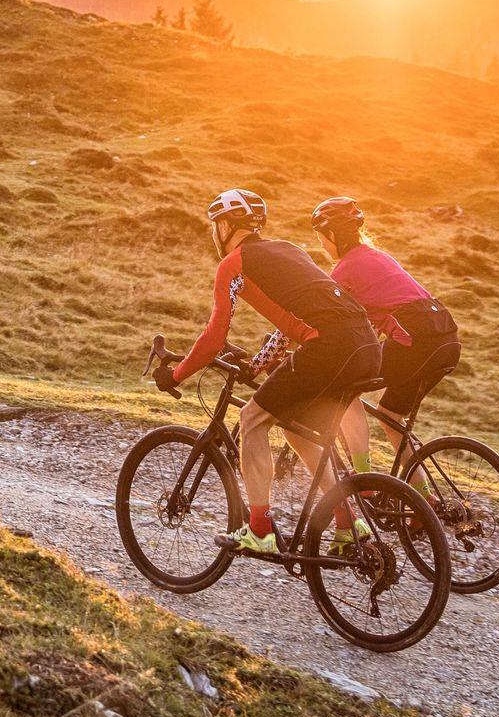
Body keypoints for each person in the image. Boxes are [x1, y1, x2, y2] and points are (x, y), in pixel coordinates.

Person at [154, 189, 382, 553]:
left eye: (215, 226)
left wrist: (175, 375)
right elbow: (301, 316)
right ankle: (346, 523)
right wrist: (258, 364)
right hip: (366, 345)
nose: (214, 233)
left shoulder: (234, 264)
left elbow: (213, 339)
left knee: (252, 419)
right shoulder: (290, 249)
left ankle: (260, 531)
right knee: (296, 429)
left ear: (226, 227)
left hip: (330, 347)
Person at [310, 197, 460, 475]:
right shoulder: (378, 256)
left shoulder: (344, 271)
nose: (321, 245)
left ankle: (363, 477)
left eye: (321, 238)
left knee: (343, 389)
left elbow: (330, 325)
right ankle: (422, 495)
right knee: (390, 416)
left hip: (417, 339)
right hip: (446, 338)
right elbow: (372, 321)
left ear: (332, 235)